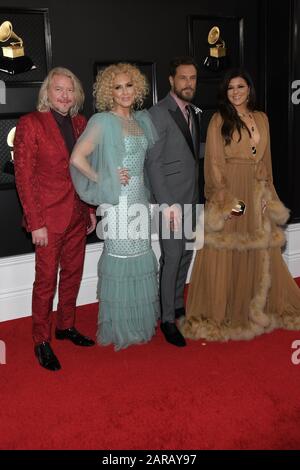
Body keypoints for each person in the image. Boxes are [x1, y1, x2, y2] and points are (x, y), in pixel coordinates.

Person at [181, 68, 300, 342]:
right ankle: (224, 310)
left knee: (259, 250)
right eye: (230, 88)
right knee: (228, 249)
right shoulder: (218, 119)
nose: (235, 92)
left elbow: (266, 161)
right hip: (232, 190)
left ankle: (253, 304)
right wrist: (226, 203)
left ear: (249, 89)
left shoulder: (262, 118)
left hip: (256, 189)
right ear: (225, 92)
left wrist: (267, 197)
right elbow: (213, 164)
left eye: (240, 86)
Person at [70, 63, 159, 351]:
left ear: (138, 88)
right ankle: (121, 326)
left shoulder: (141, 120)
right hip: (118, 204)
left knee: (141, 257)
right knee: (121, 260)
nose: (124, 92)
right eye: (117, 87)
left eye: (129, 85)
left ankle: (138, 323)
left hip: (139, 202)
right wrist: (104, 177)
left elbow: (145, 166)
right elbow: (77, 158)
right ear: (109, 92)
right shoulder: (102, 121)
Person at [14, 67, 97, 372]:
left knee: (73, 274)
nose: (64, 95)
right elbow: (24, 177)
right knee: (46, 282)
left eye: (69, 89)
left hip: (77, 214)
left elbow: (84, 169)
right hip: (47, 219)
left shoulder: (80, 123)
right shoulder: (30, 124)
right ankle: (41, 340)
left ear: (76, 94)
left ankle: (66, 326)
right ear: (47, 93)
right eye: (58, 89)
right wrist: (35, 222)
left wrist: (89, 210)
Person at [145, 56, 204, 347]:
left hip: (192, 198)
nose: (188, 83)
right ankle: (167, 320)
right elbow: (153, 164)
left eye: (193, 78)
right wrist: (166, 204)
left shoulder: (193, 111)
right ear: (171, 81)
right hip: (171, 203)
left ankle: (178, 305)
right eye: (183, 78)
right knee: (171, 258)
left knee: (186, 256)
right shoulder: (158, 113)